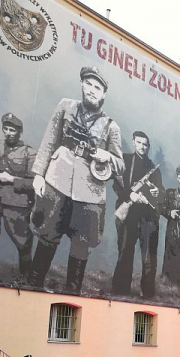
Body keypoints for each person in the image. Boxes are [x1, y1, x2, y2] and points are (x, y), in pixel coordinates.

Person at [29, 66, 124, 291]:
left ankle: (72, 294)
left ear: (104, 94)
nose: (92, 90)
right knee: (47, 234)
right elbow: (49, 141)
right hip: (57, 180)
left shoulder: (112, 126)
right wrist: (39, 175)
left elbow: (120, 166)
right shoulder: (65, 106)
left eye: (97, 87)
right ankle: (33, 285)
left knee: (81, 244)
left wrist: (107, 155)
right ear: (82, 85)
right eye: (89, 84)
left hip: (89, 192)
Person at [0, 113, 36, 282]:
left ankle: (26, 277)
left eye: (12, 130)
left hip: (16, 202)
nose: (8, 133)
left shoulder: (29, 153)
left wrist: (11, 179)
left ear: (20, 132)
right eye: (6, 129)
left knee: (22, 240)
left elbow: (34, 182)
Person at [111, 131, 164, 299]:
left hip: (148, 217)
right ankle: (120, 291)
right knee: (125, 252)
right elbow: (117, 184)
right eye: (140, 143)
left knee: (149, 258)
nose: (143, 147)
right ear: (134, 142)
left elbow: (160, 193)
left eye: (146, 144)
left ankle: (148, 294)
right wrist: (130, 196)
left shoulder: (154, 168)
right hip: (129, 215)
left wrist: (156, 192)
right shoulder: (126, 160)